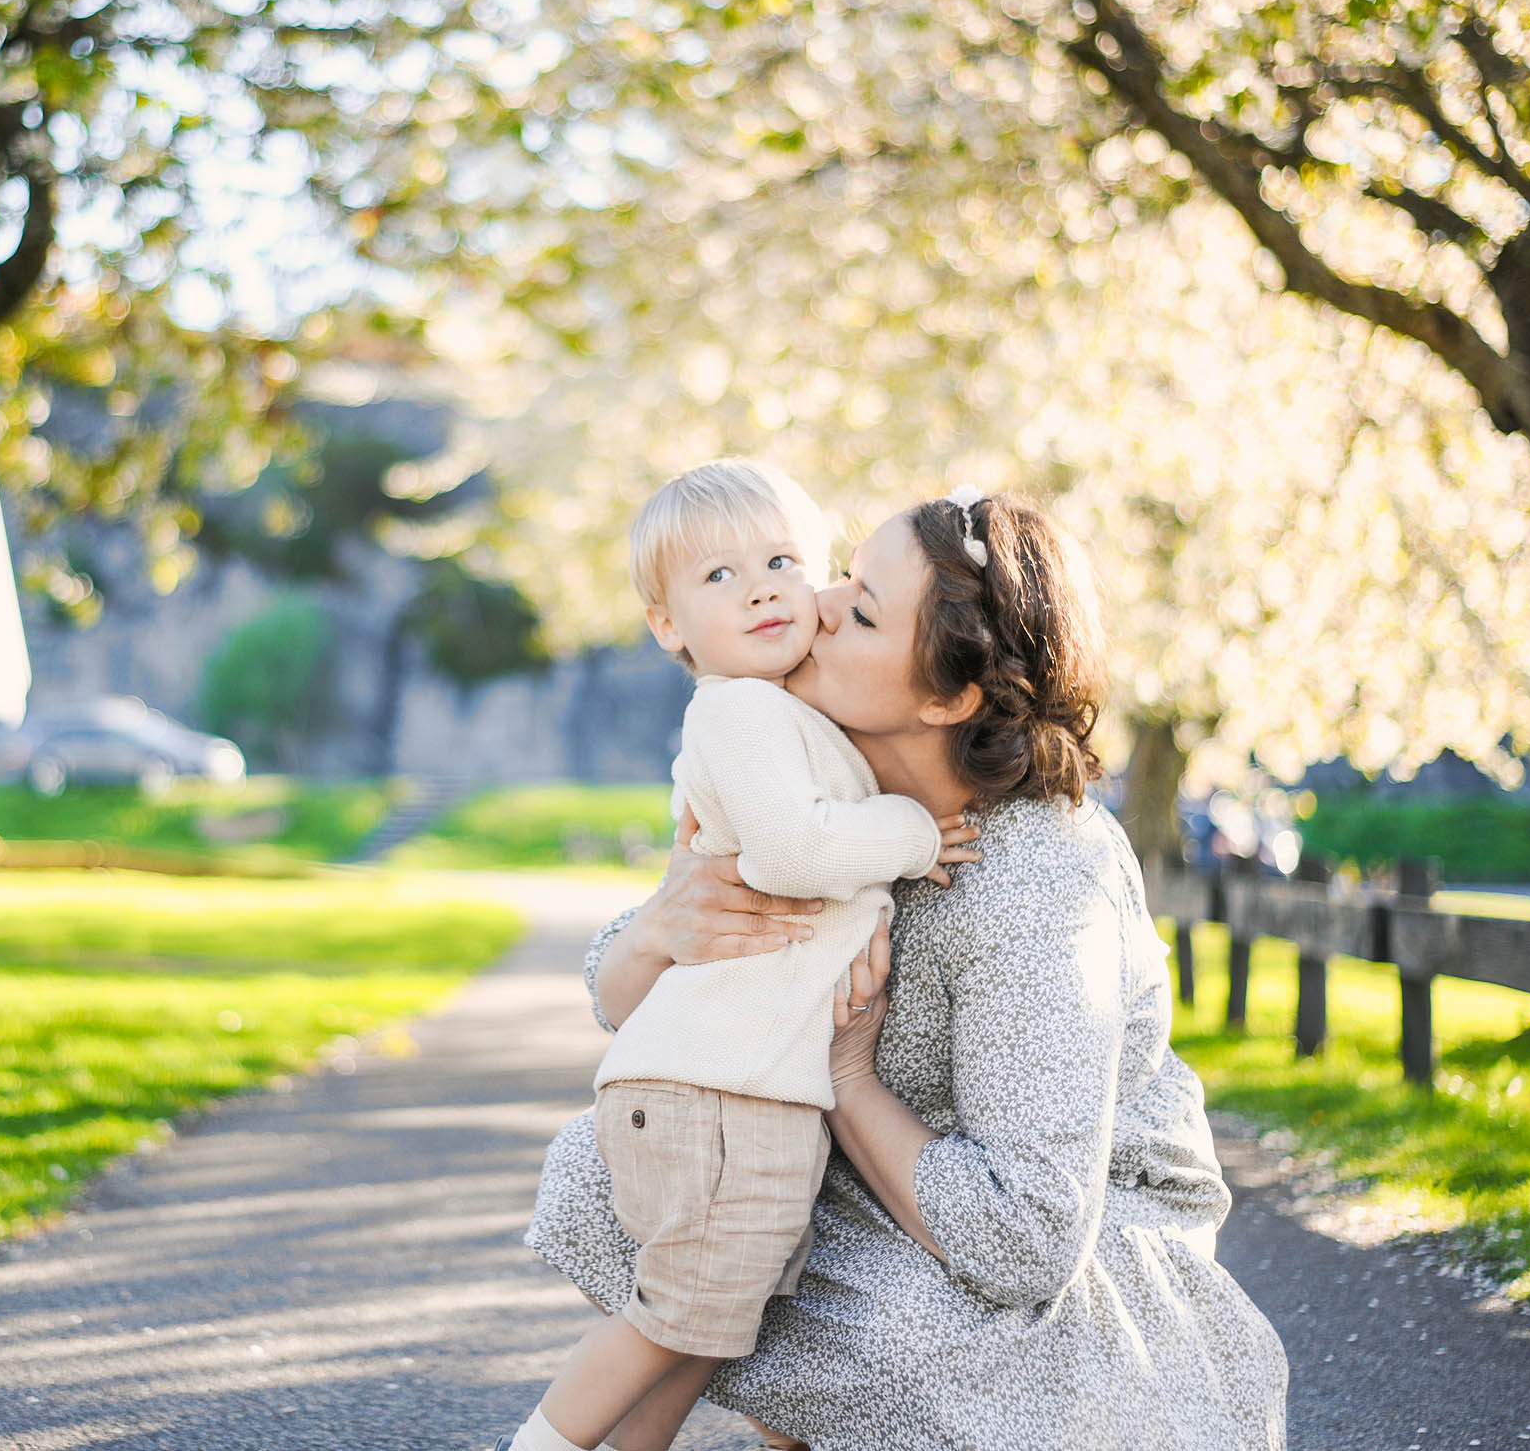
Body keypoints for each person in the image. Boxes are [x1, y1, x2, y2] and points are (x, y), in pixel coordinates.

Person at [525, 489, 1291, 1451]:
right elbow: (628, 999)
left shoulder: (1037, 882)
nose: (815, 603)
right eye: (839, 575)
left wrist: (847, 1076)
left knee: (877, 1326)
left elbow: (1028, 1237)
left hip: (1075, 1268)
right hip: (871, 1189)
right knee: (619, 1171)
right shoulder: (817, 773)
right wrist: (660, 927)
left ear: (947, 697)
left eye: (862, 608)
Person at [497, 459, 980, 1451]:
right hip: (712, 1092)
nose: (760, 589)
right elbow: (792, 851)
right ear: (666, 625)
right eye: (719, 576)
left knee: (707, 1325)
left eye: (780, 561)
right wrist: (913, 830)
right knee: (673, 1315)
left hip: (744, 1089)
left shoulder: (792, 711)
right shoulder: (738, 711)